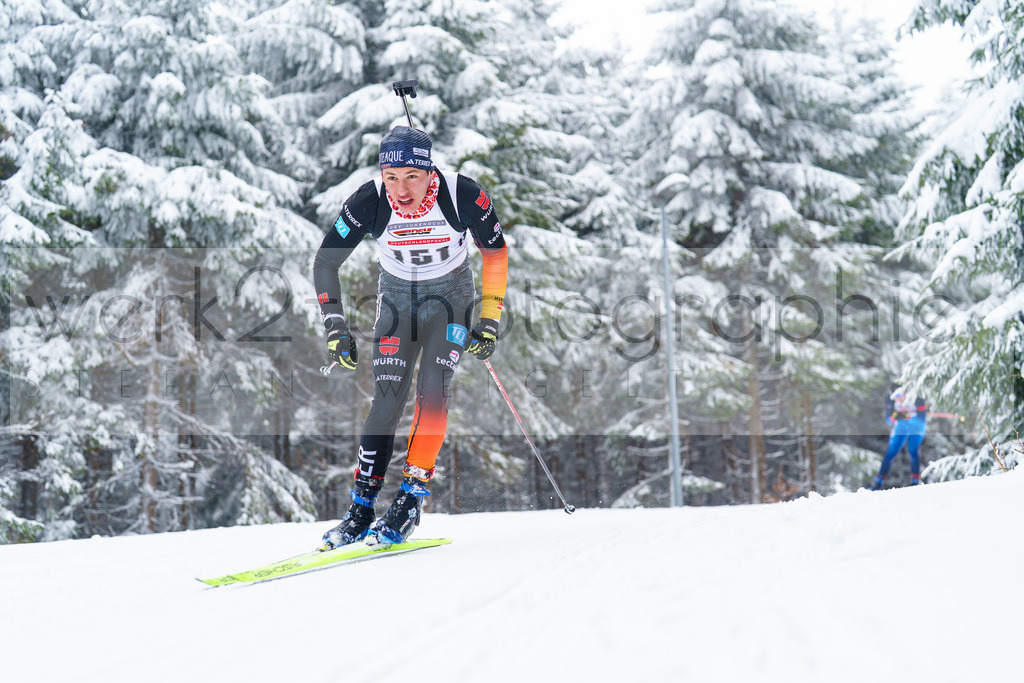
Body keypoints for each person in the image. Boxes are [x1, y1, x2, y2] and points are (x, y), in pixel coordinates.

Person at [312, 125, 508, 547]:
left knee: (433, 392)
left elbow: (495, 254)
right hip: (398, 305)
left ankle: (409, 501)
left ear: (429, 172)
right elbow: (325, 263)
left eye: (411, 177)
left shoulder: (462, 195)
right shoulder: (369, 200)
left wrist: (489, 319)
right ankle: (361, 508)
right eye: (391, 177)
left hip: (451, 304)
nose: (401, 190)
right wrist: (335, 326)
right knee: (385, 401)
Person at [871, 385, 928, 490]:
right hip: (902, 425)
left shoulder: (916, 398)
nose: (899, 399)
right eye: (896, 397)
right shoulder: (890, 400)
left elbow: (922, 419)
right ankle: (878, 480)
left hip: (917, 426)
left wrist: (908, 416)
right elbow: (888, 421)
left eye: (901, 395)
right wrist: (895, 416)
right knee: (892, 451)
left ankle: (915, 480)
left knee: (913, 449)